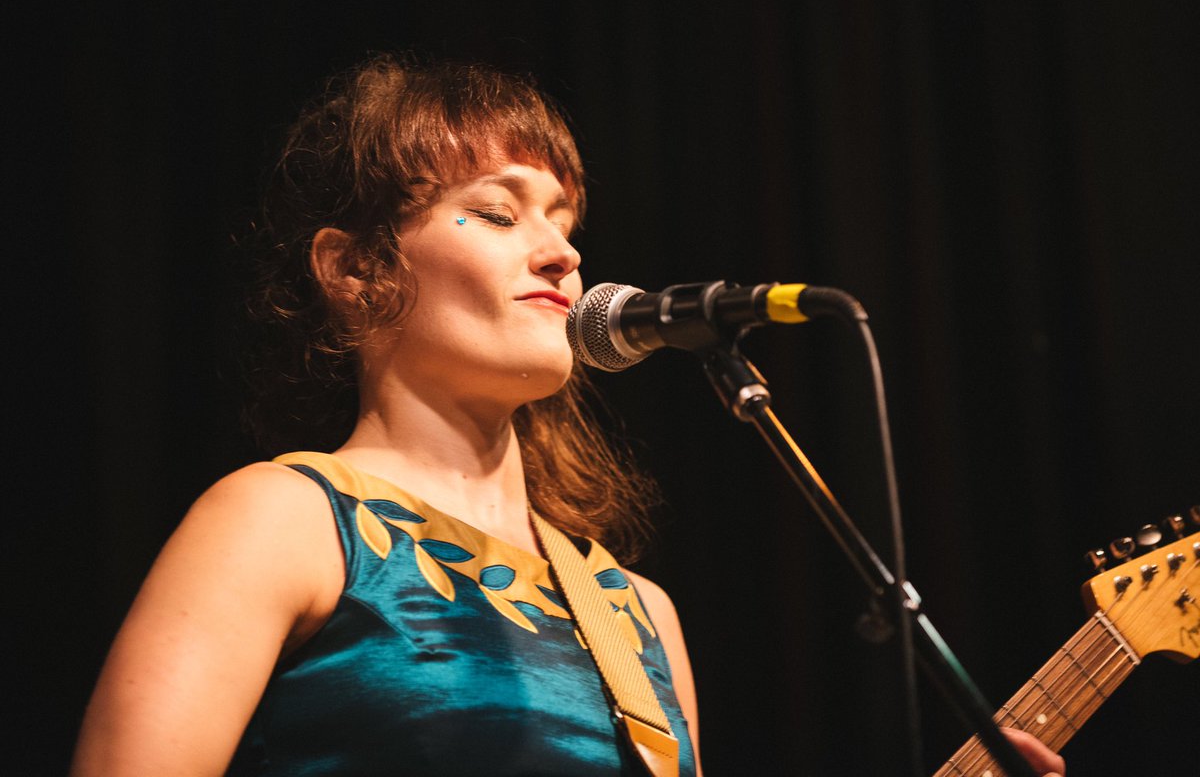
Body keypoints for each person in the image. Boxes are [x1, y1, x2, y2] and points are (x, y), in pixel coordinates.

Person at [70, 54, 1063, 777]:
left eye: (564, 222)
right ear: (355, 266)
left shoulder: (641, 613)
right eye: (499, 212)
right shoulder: (278, 519)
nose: (562, 255)